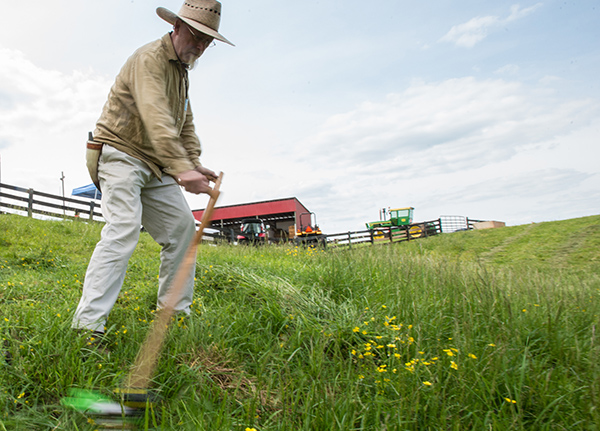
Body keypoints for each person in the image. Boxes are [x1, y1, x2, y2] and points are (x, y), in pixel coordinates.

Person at [72, 0, 234, 338]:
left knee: (182, 230)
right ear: (176, 27)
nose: (201, 47)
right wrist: (181, 168)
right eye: (196, 37)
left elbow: (184, 123)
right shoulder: (149, 59)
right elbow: (155, 115)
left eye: (208, 42)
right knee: (124, 229)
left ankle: (173, 316)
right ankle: (87, 328)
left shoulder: (182, 72)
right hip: (120, 153)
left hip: (157, 165)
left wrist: (193, 164)